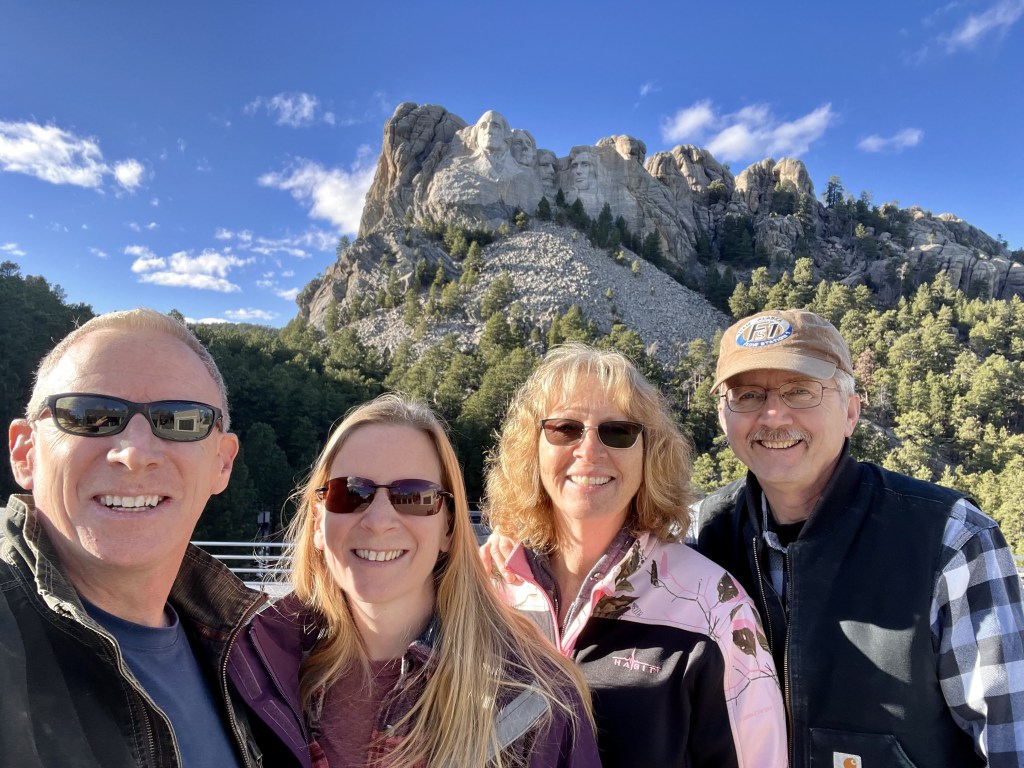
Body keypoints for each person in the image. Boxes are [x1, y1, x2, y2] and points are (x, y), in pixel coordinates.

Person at [691, 308, 1024, 767]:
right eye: (748, 395)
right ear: (723, 417)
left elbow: (1010, 741)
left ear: (850, 411)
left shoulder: (950, 540)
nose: (773, 415)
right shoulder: (699, 536)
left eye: (800, 391)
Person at [229, 394, 600, 768]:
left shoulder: (535, 703)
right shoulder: (252, 673)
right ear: (317, 522)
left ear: (448, 528)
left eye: (413, 496)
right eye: (351, 492)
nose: (378, 520)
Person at [0, 308, 301, 767]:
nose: (135, 453)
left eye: (180, 421)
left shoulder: (253, 657)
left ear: (222, 463)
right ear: (26, 453)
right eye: (89, 415)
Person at [484, 344, 787, 767]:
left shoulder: (713, 607)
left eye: (618, 431)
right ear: (531, 448)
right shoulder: (484, 588)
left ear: (650, 453)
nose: (589, 450)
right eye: (565, 429)